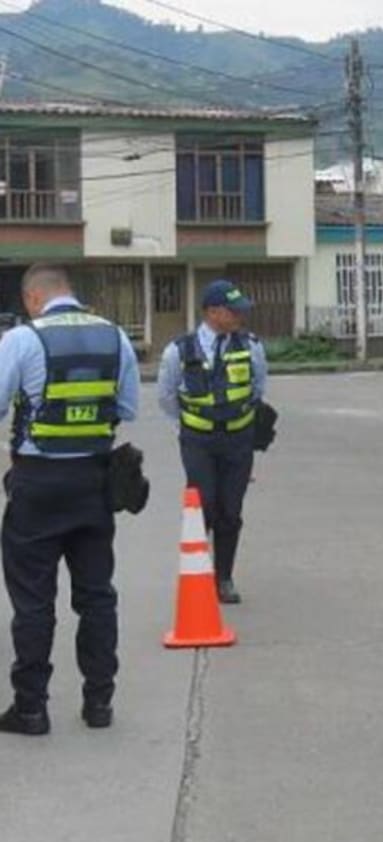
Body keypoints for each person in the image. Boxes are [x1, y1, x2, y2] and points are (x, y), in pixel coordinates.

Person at [0, 264, 139, 735]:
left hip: (38, 484)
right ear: (69, 292)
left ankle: (31, 709)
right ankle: (99, 703)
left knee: (34, 601)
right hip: (95, 482)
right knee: (97, 597)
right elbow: (127, 408)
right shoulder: (115, 337)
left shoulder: (23, 339)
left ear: (32, 298)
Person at [157, 280, 268, 606]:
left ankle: (224, 578)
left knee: (230, 511)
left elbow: (258, 387)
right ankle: (198, 573)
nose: (239, 317)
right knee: (203, 505)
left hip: (238, 439)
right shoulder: (179, 350)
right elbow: (166, 396)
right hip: (198, 441)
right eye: (233, 311)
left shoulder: (251, 346)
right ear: (212, 312)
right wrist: (193, 422)